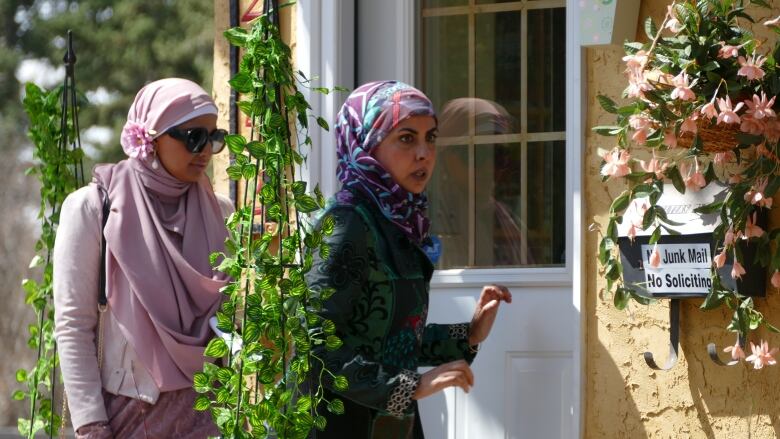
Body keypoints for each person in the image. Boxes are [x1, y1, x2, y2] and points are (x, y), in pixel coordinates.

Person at [306, 81, 512, 438]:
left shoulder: (397, 221)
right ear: (367, 142)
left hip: (390, 425)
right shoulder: (347, 224)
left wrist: (468, 334)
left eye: (430, 138)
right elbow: (314, 344)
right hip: (337, 425)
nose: (424, 153)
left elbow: (389, 335)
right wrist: (411, 386)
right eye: (406, 138)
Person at [53, 78, 232, 438]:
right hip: (128, 415)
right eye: (192, 136)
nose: (205, 151)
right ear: (150, 136)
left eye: (214, 138)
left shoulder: (221, 214)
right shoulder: (93, 209)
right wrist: (91, 424)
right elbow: (73, 324)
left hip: (206, 414)